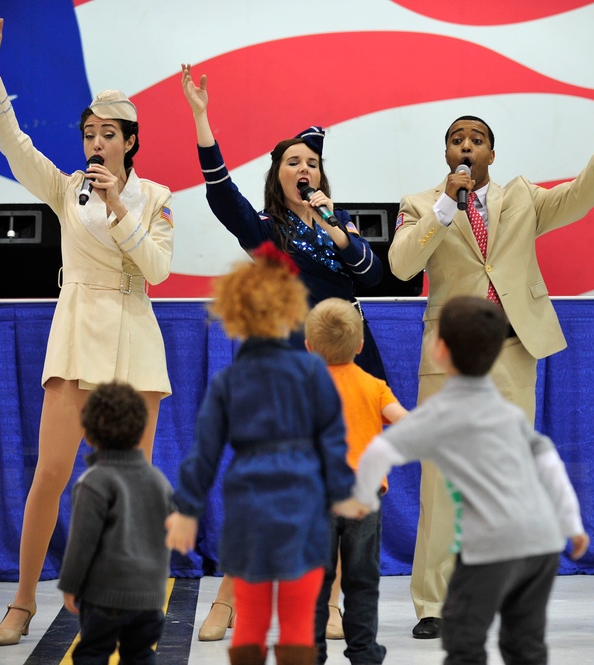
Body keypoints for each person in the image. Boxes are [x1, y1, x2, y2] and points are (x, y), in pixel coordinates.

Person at [389, 77, 594, 639]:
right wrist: (441, 208)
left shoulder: (524, 197)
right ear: (446, 152)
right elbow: (403, 266)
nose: (466, 145)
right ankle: (432, 603)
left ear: (492, 152)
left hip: (512, 351)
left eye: (476, 138)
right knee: (440, 480)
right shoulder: (418, 205)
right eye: (456, 138)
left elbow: (582, 196)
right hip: (450, 360)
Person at [0, 7, 175, 647]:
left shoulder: (155, 197)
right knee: (51, 474)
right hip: (77, 332)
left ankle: (128, 604)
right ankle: (23, 601)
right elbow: (11, 142)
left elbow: (159, 271)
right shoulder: (65, 189)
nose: (97, 143)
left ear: (130, 140)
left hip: (135, 341)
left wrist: (117, 206)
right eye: (89, 134)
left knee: (132, 485)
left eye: (109, 134)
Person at [180, 65, 386, 641]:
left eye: (312, 162)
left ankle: (335, 601)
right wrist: (201, 117)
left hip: (347, 363)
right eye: (293, 161)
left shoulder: (339, 223)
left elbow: (370, 273)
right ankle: (231, 597)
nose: (304, 168)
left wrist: (331, 224)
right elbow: (222, 196)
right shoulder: (268, 230)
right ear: (277, 173)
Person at [349, 295, 589, 664]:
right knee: (525, 642)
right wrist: (572, 522)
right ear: (498, 354)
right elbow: (548, 464)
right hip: (540, 543)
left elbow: (381, 452)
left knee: (463, 638)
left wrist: (362, 498)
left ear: (439, 351)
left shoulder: (441, 414)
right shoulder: (508, 415)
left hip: (489, 546)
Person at [165, 242, 364, 665]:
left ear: (233, 312)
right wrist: (344, 490)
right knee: (296, 623)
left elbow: (203, 453)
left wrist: (185, 509)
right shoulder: (313, 370)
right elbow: (333, 439)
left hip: (247, 508)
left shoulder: (228, 380)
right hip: (303, 507)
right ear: (294, 308)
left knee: (252, 621)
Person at [303, 298, 409, 665]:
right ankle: (363, 651)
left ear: (308, 346)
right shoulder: (374, 386)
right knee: (363, 581)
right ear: (360, 345)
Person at [58, 382, 174, 665]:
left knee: (92, 653)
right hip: (149, 598)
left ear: (86, 434)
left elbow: (81, 542)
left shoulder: (93, 482)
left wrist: (70, 585)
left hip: (104, 598)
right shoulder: (159, 480)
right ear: (141, 430)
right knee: (141, 655)